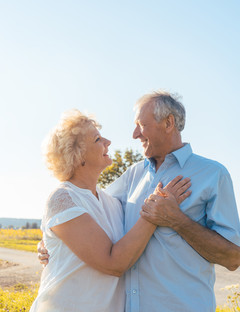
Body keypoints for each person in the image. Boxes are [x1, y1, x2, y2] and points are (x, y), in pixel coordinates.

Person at [39, 91, 240, 312]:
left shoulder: (213, 174)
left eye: (140, 125)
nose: (135, 134)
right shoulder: (132, 176)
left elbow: (233, 258)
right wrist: (53, 243)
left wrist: (178, 221)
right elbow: (83, 210)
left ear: (168, 122)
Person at [31, 108, 191, 312]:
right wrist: (155, 212)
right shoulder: (63, 198)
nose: (108, 142)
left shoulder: (110, 200)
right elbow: (112, 263)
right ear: (78, 155)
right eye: (97, 139)